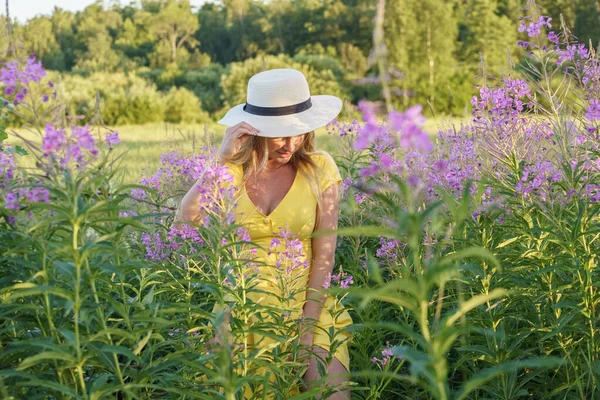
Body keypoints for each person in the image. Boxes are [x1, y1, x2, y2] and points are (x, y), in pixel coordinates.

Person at [178, 68, 352, 399]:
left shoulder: (320, 168)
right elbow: (186, 221)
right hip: (242, 314)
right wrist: (221, 159)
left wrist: (306, 332)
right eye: (279, 134)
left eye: (297, 132)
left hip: (307, 306)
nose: (290, 143)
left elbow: (324, 260)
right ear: (256, 131)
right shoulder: (230, 172)